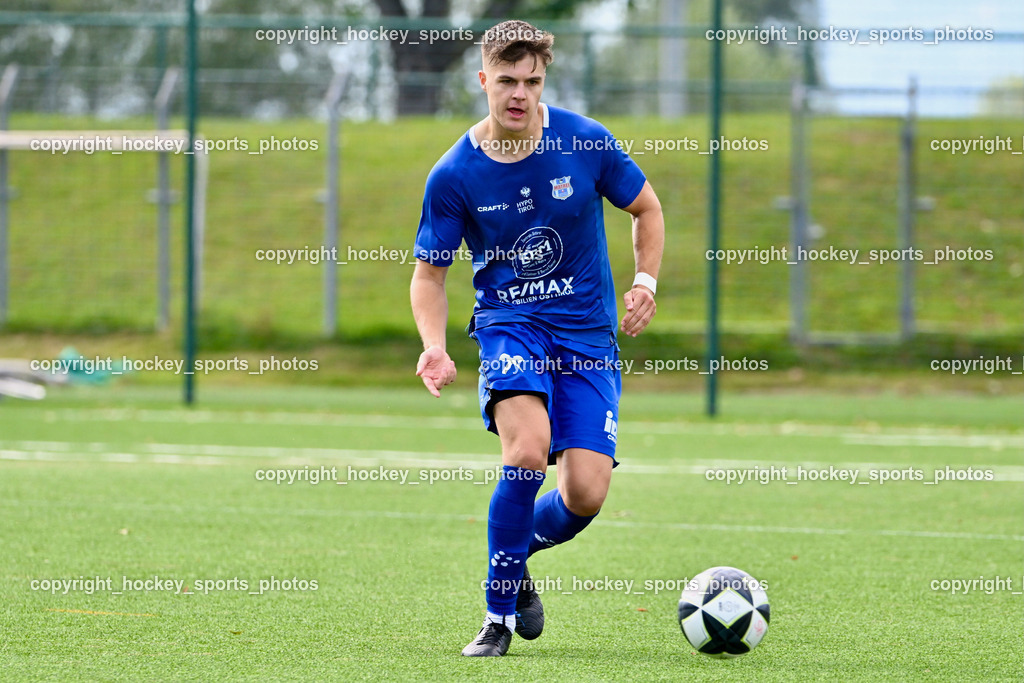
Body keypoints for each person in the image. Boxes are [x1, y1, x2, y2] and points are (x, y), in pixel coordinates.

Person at [410, 19, 664, 657]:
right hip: (508, 326)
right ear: (483, 80)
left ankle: (512, 556)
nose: (519, 94)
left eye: (532, 81)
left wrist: (645, 282)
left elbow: (647, 209)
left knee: (585, 493)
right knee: (526, 453)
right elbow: (429, 275)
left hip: (586, 336)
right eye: (506, 81)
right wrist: (434, 345)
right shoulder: (454, 175)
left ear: (543, 80)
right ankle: (496, 618)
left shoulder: (585, 142)